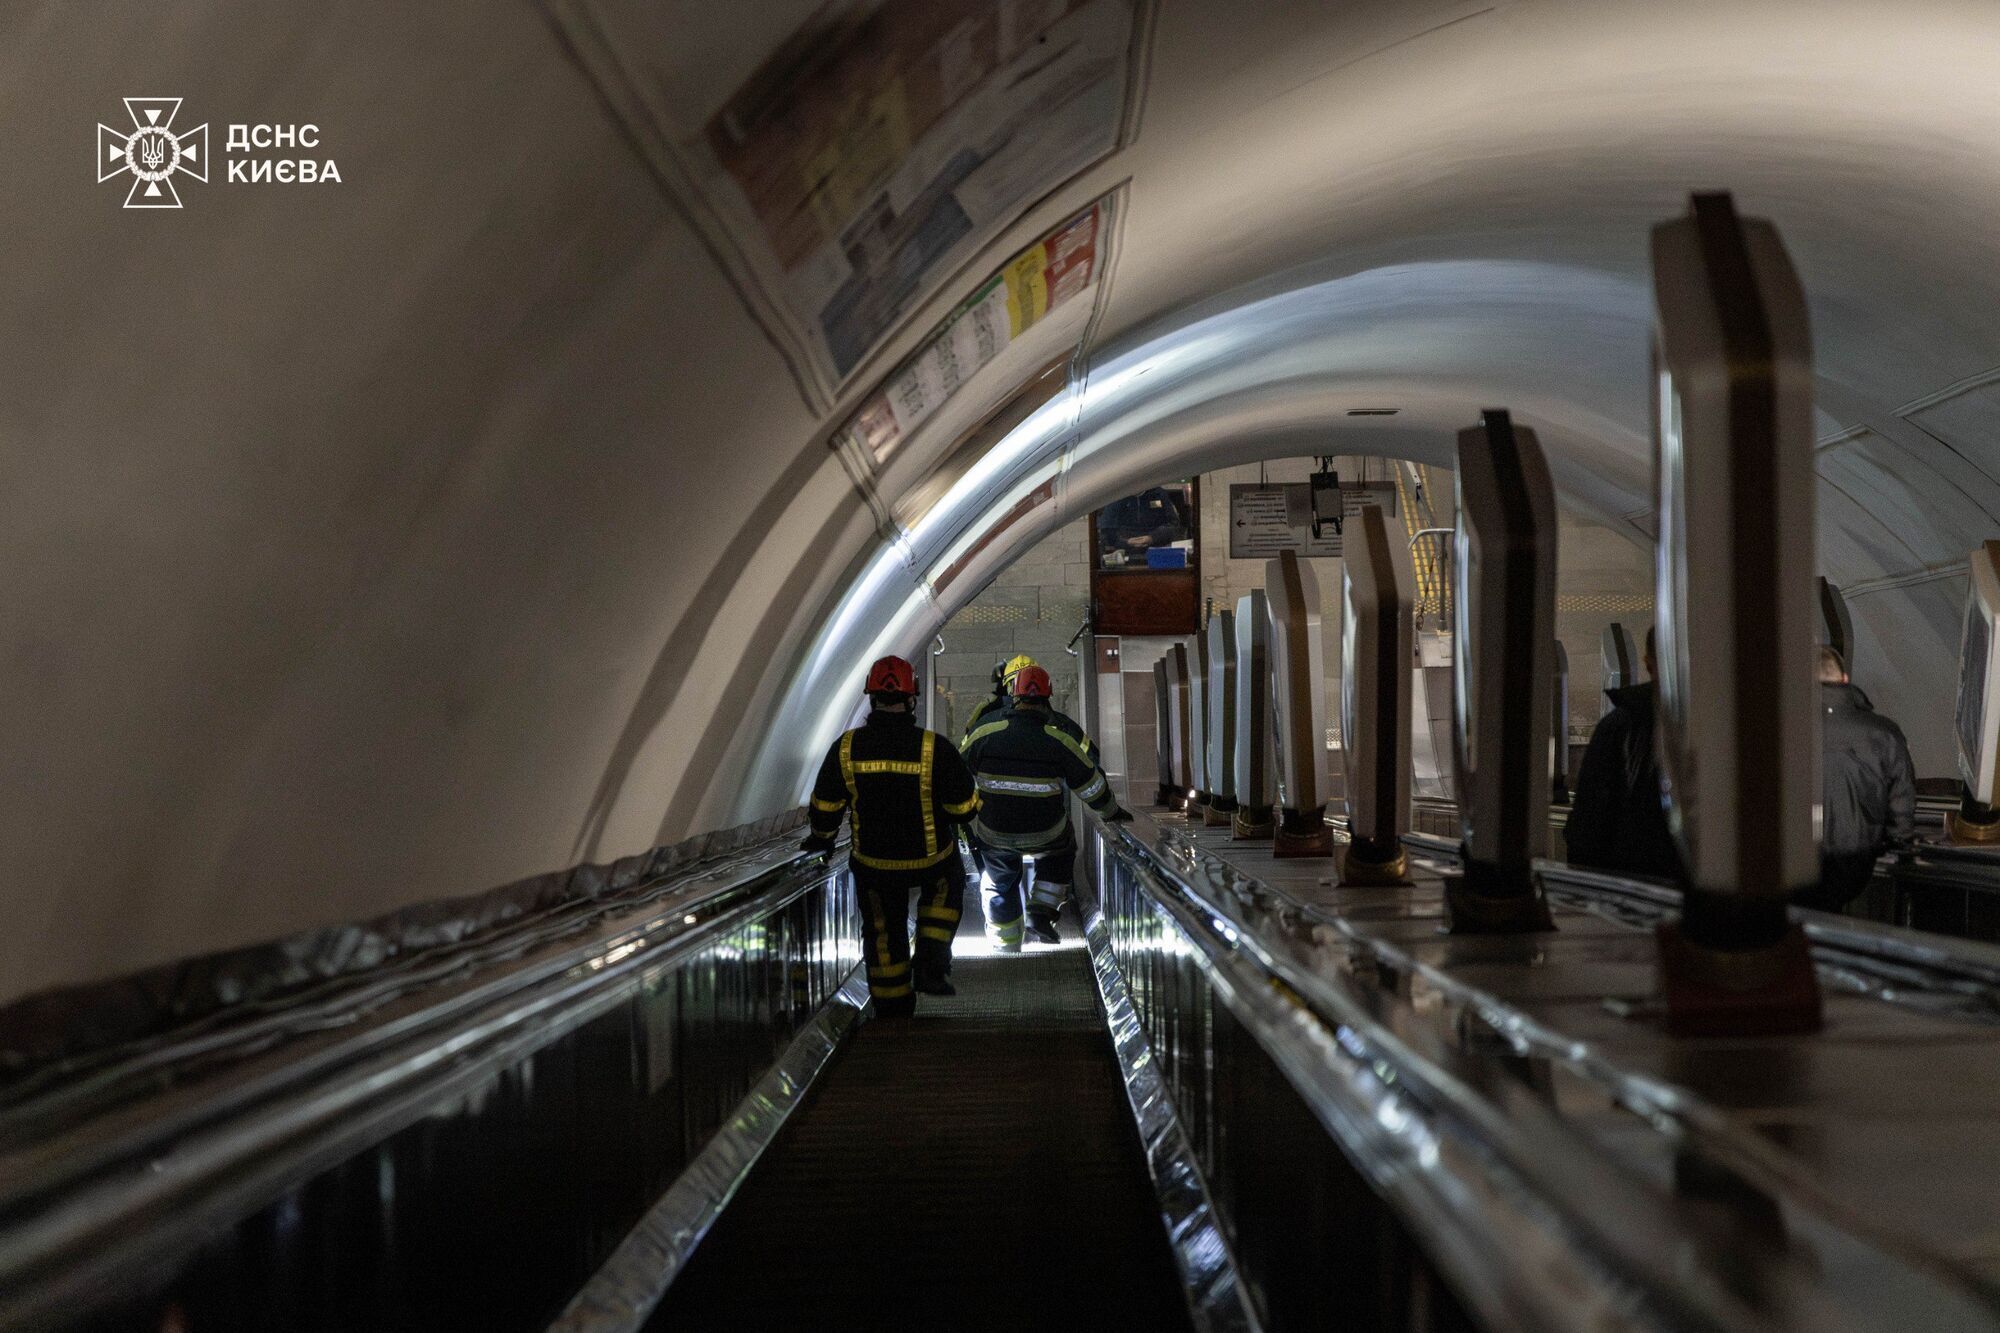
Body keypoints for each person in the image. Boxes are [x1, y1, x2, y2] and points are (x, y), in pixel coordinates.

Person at [804, 656, 979, 1015]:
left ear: (871, 697)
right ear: (911, 698)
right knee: (948, 885)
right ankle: (930, 963)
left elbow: (826, 805)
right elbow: (965, 808)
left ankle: (891, 1006)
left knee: (882, 929)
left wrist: (821, 840)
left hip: (873, 862)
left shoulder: (846, 747)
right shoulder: (934, 748)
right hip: (929, 859)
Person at [963, 666, 1128, 948]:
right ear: (1048, 697)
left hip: (994, 831)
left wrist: (961, 817)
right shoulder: (1059, 739)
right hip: (1046, 832)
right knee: (1061, 854)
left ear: (1014, 696)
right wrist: (1111, 812)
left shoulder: (984, 733)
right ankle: (1040, 915)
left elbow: (954, 777)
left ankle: (1006, 944)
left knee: (998, 880)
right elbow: (1091, 786)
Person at [1805, 646, 1916, 912]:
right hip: (1854, 864)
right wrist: (1900, 841)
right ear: (1844, 680)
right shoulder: (1884, 732)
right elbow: (1901, 802)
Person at [1565, 628, 1681, 881]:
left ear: (1649, 665)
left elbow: (1587, 830)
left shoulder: (1617, 728)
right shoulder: (1726, 728)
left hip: (1633, 890)